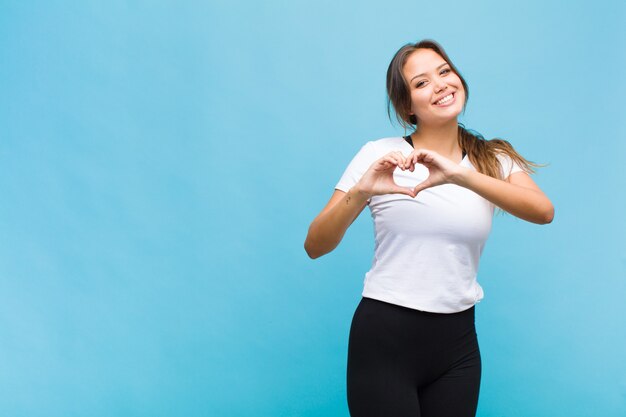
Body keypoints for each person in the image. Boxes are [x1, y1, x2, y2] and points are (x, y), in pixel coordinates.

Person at [304, 39, 554, 417]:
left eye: (444, 72)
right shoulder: (379, 154)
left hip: (458, 345)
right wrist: (362, 190)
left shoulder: (493, 159)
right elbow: (316, 244)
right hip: (385, 338)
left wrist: (460, 175)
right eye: (421, 83)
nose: (440, 85)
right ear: (407, 107)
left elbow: (542, 211)